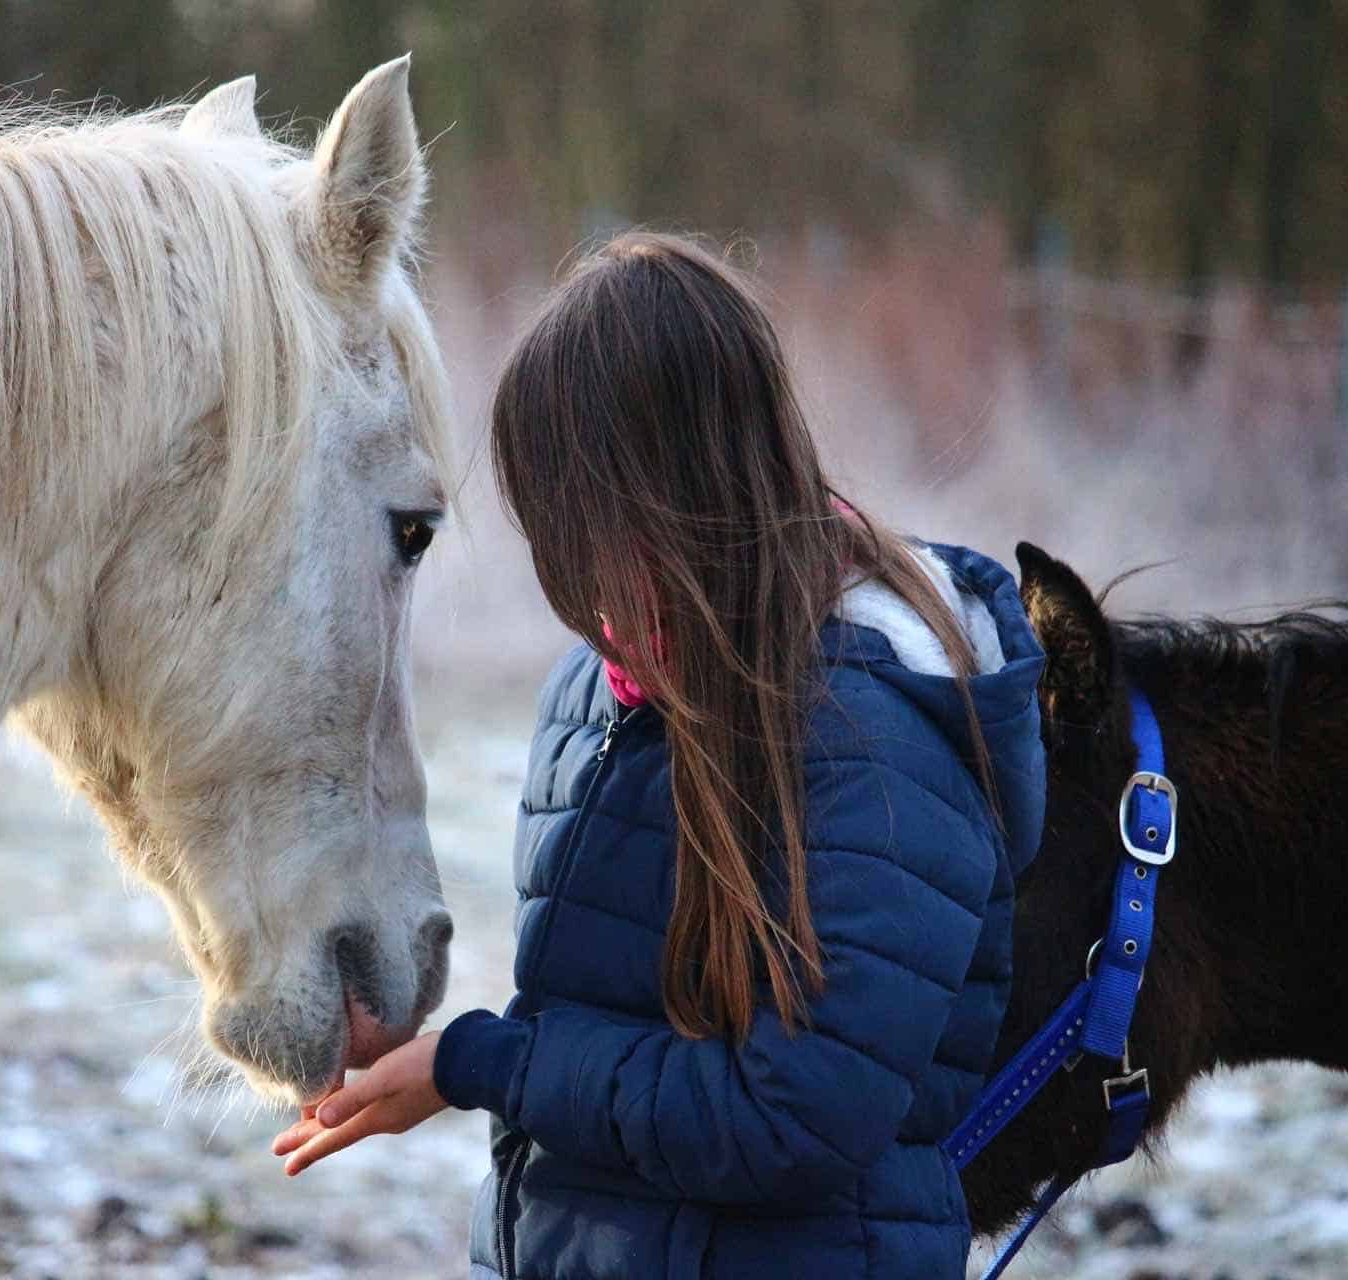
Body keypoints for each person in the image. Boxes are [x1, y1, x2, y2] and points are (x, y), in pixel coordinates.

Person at [272, 231, 1047, 1279]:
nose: (583, 591)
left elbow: (790, 1116)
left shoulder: (876, 743)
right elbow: (606, 1035)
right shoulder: (598, 695)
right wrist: (442, 1052)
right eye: (557, 538)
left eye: (596, 532)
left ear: (689, 497)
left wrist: (487, 1062)